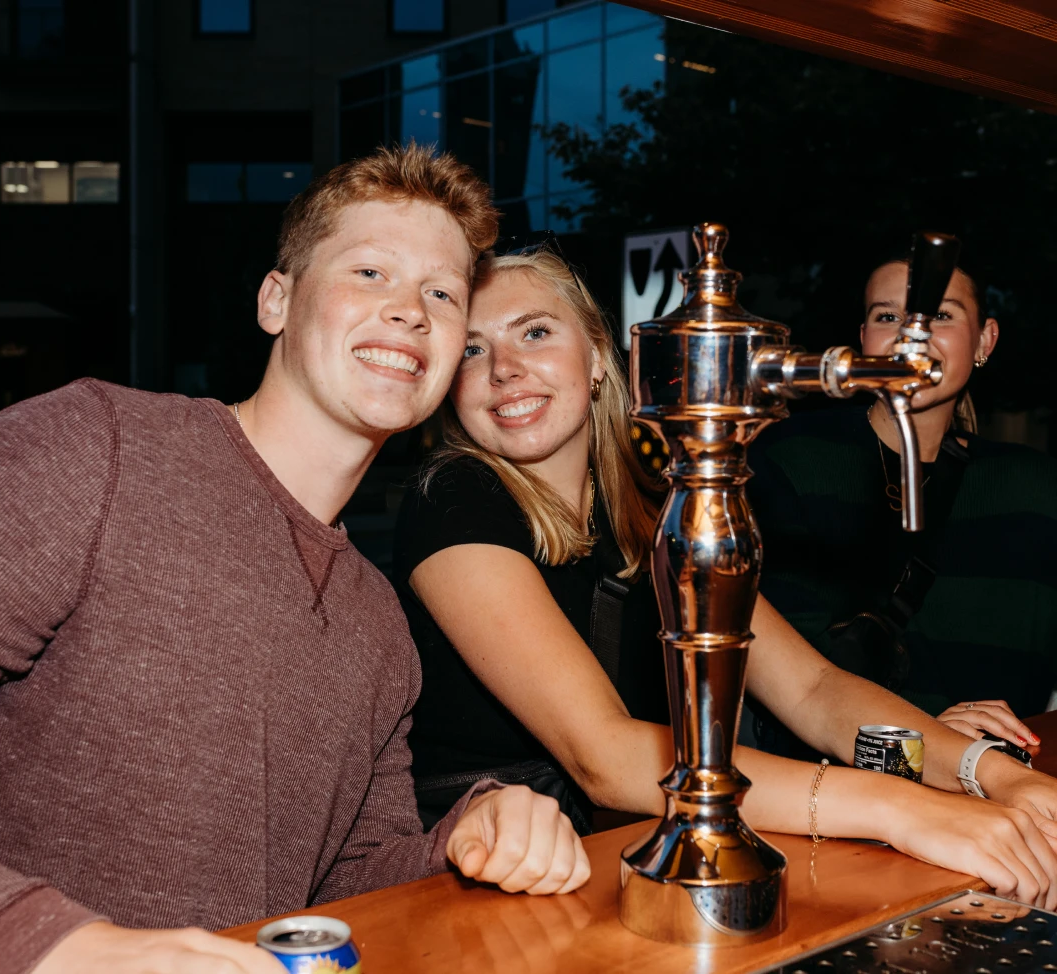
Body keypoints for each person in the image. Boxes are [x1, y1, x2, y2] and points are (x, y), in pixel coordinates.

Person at [0, 146, 589, 974]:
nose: (410, 310)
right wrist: (55, 948)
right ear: (277, 299)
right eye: (370, 272)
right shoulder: (95, 448)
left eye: (440, 293)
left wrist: (473, 836)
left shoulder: (378, 627)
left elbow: (346, 884)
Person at [393, 243, 1057, 908]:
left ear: (598, 355)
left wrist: (996, 777)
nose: (505, 369)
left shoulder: (656, 506)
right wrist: (903, 809)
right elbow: (604, 756)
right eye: (472, 350)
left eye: (534, 332)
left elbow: (813, 688)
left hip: (613, 868)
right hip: (478, 883)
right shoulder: (452, 498)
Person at [745, 255, 1057, 748]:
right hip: (849, 790)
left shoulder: (1035, 485)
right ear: (864, 341)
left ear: (984, 340)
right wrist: (930, 736)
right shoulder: (789, 459)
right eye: (888, 317)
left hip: (1020, 781)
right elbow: (790, 678)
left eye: (941, 316)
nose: (912, 336)